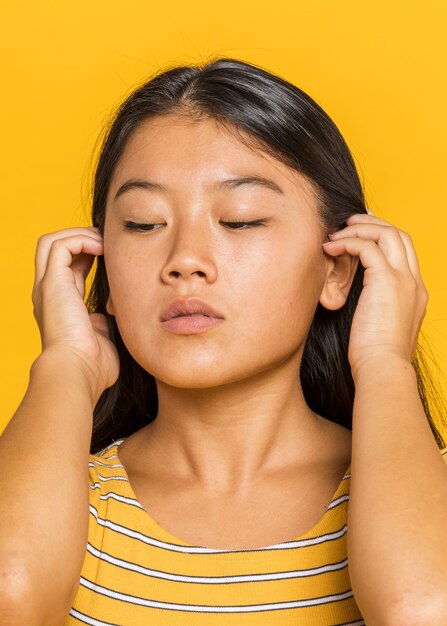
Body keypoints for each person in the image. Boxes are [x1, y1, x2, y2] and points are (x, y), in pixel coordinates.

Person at [1, 57, 447, 626]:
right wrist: (63, 365)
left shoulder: (429, 496)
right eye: (142, 223)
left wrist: (386, 364)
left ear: (337, 269)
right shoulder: (44, 497)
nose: (185, 261)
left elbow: (423, 610)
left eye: (239, 220)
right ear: (104, 268)